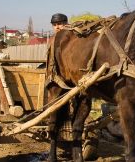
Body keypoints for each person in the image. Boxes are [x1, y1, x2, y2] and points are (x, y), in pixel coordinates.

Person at [48, 12, 99, 160]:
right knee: (55, 112)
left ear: (66, 23)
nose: (58, 27)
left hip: (77, 77)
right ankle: (52, 150)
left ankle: (77, 152)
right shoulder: (53, 41)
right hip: (56, 79)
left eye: (60, 24)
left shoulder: (74, 36)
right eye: (55, 25)